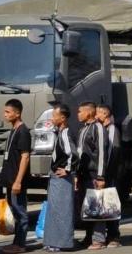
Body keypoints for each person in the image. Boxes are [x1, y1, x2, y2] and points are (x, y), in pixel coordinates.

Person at [44, 104, 78, 252]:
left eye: (54, 115)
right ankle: (53, 241)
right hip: (56, 177)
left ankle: (63, 243)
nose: (52, 118)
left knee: (62, 210)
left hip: (62, 178)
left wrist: (68, 169)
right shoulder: (60, 131)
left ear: (62, 118)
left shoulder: (66, 132)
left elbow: (73, 153)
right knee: (54, 209)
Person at [74, 102, 107, 249]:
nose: (78, 114)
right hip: (83, 174)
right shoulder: (83, 129)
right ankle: (88, 237)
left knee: (96, 207)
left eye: (80, 111)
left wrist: (100, 177)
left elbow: (101, 154)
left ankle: (98, 239)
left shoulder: (98, 128)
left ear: (88, 113)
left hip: (94, 174)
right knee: (86, 207)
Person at [0, 100, 31, 254]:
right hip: (10, 179)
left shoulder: (23, 131)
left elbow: (25, 157)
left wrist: (18, 181)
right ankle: (16, 243)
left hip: (17, 181)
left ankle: (21, 245)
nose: (5, 115)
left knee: (21, 213)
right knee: (15, 212)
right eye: (5, 112)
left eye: (8, 112)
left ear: (17, 113)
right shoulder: (13, 130)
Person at [91, 104, 122, 248]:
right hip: (103, 174)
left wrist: (104, 175)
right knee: (101, 206)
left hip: (109, 174)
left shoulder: (112, 130)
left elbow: (111, 153)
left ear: (105, 114)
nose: (95, 115)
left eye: (98, 113)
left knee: (110, 205)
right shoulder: (100, 129)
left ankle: (114, 236)